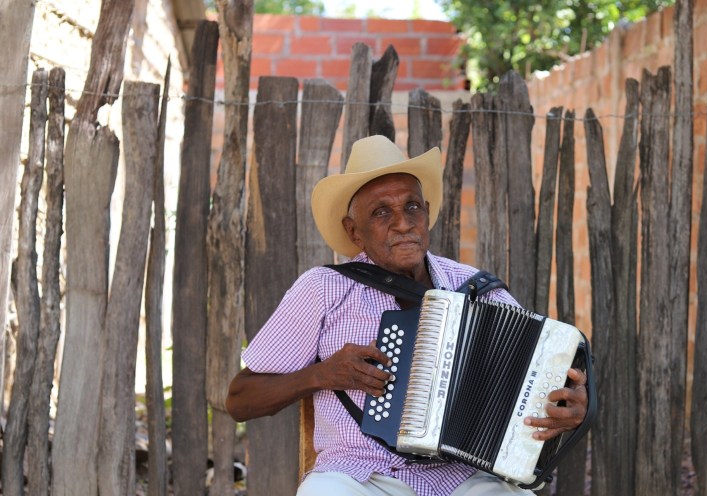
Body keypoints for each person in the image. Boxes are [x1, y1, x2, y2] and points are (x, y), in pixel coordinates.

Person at [225, 135, 589, 496]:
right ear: (354, 232)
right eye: (381, 212)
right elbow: (241, 399)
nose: (402, 223)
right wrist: (321, 374)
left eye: (412, 207)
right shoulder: (323, 289)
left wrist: (568, 407)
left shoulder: (477, 288)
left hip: (465, 478)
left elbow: (537, 383)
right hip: (358, 475)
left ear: (427, 212)